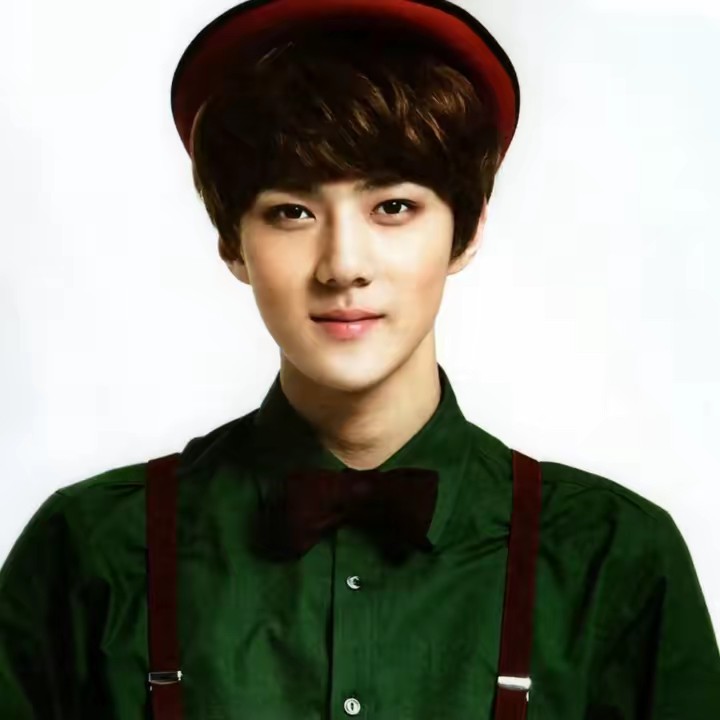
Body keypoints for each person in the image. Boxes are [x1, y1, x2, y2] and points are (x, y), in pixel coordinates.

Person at [1, 0, 719, 718]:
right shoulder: (93, 551)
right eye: (292, 211)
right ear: (232, 243)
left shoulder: (613, 557)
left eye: (394, 207)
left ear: (466, 232)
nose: (344, 265)